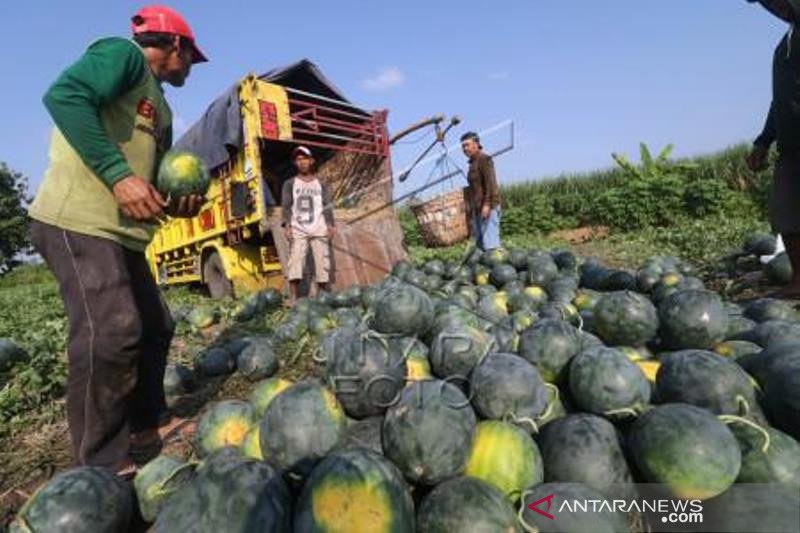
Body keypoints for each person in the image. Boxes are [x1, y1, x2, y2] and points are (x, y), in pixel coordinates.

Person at [27, 5, 207, 476]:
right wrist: (116, 174)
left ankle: (147, 426)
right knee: (111, 329)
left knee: (154, 325)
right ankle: (99, 464)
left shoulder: (162, 108)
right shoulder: (122, 55)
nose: (190, 68)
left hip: (121, 234)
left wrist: (177, 201)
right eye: (192, 58)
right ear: (176, 46)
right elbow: (64, 96)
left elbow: (151, 183)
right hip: (77, 219)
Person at [747, 0, 800, 298]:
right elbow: (779, 99)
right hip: (791, 143)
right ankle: (799, 280)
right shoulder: (786, 42)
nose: (774, 8)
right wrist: (763, 140)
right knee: (786, 211)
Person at [282, 146, 337, 300]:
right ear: (295, 163)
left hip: (319, 227)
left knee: (322, 263)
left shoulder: (321, 184)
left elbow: (327, 205)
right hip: (298, 228)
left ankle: (322, 297)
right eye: (298, 160)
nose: (302, 162)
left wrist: (331, 225)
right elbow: (286, 206)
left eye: (305, 158)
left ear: (311, 161)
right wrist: (287, 226)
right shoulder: (289, 184)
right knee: (295, 262)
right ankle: (293, 298)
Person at [461, 131, 502, 251]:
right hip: (478, 208)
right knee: (480, 246)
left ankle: (496, 266)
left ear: (476, 144)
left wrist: (487, 204)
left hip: (488, 207)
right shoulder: (472, 163)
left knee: (490, 245)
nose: (464, 148)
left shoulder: (484, 159)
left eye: (467, 145)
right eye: (463, 146)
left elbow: (491, 183)